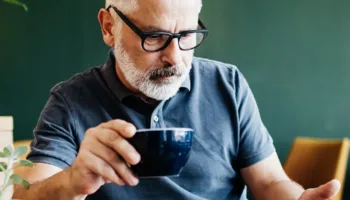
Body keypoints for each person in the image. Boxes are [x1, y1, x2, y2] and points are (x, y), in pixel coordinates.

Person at [14, 0, 341, 199]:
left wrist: (298, 199)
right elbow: (26, 195)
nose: (175, 58)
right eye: (155, 36)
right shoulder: (71, 102)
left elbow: (269, 182)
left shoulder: (227, 84)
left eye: (186, 36)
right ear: (109, 27)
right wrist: (73, 181)